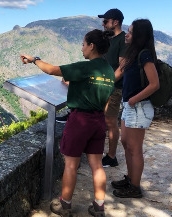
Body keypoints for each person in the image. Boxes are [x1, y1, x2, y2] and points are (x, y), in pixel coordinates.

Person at [21, 29, 115, 217]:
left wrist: (34, 59)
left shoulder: (85, 67)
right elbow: (106, 99)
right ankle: (98, 207)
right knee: (96, 164)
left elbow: (52, 70)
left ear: (91, 46)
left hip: (80, 120)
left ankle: (65, 205)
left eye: (83, 44)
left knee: (71, 164)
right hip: (98, 120)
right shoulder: (109, 71)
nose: (82, 48)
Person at [111, 19, 159, 198]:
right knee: (125, 143)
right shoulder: (132, 54)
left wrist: (133, 100)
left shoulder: (145, 55)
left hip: (139, 107)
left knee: (134, 147)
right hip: (130, 106)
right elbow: (116, 75)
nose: (127, 34)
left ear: (138, 35)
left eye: (130, 32)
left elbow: (154, 84)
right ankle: (130, 179)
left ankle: (135, 187)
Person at [98, 8, 126, 168]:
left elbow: (121, 68)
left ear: (115, 22)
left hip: (114, 88)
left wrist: (107, 82)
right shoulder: (108, 39)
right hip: (102, 86)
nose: (103, 23)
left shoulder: (123, 40)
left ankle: (111, 156)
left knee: (110, 122)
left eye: (106, 21)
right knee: (101, 120)